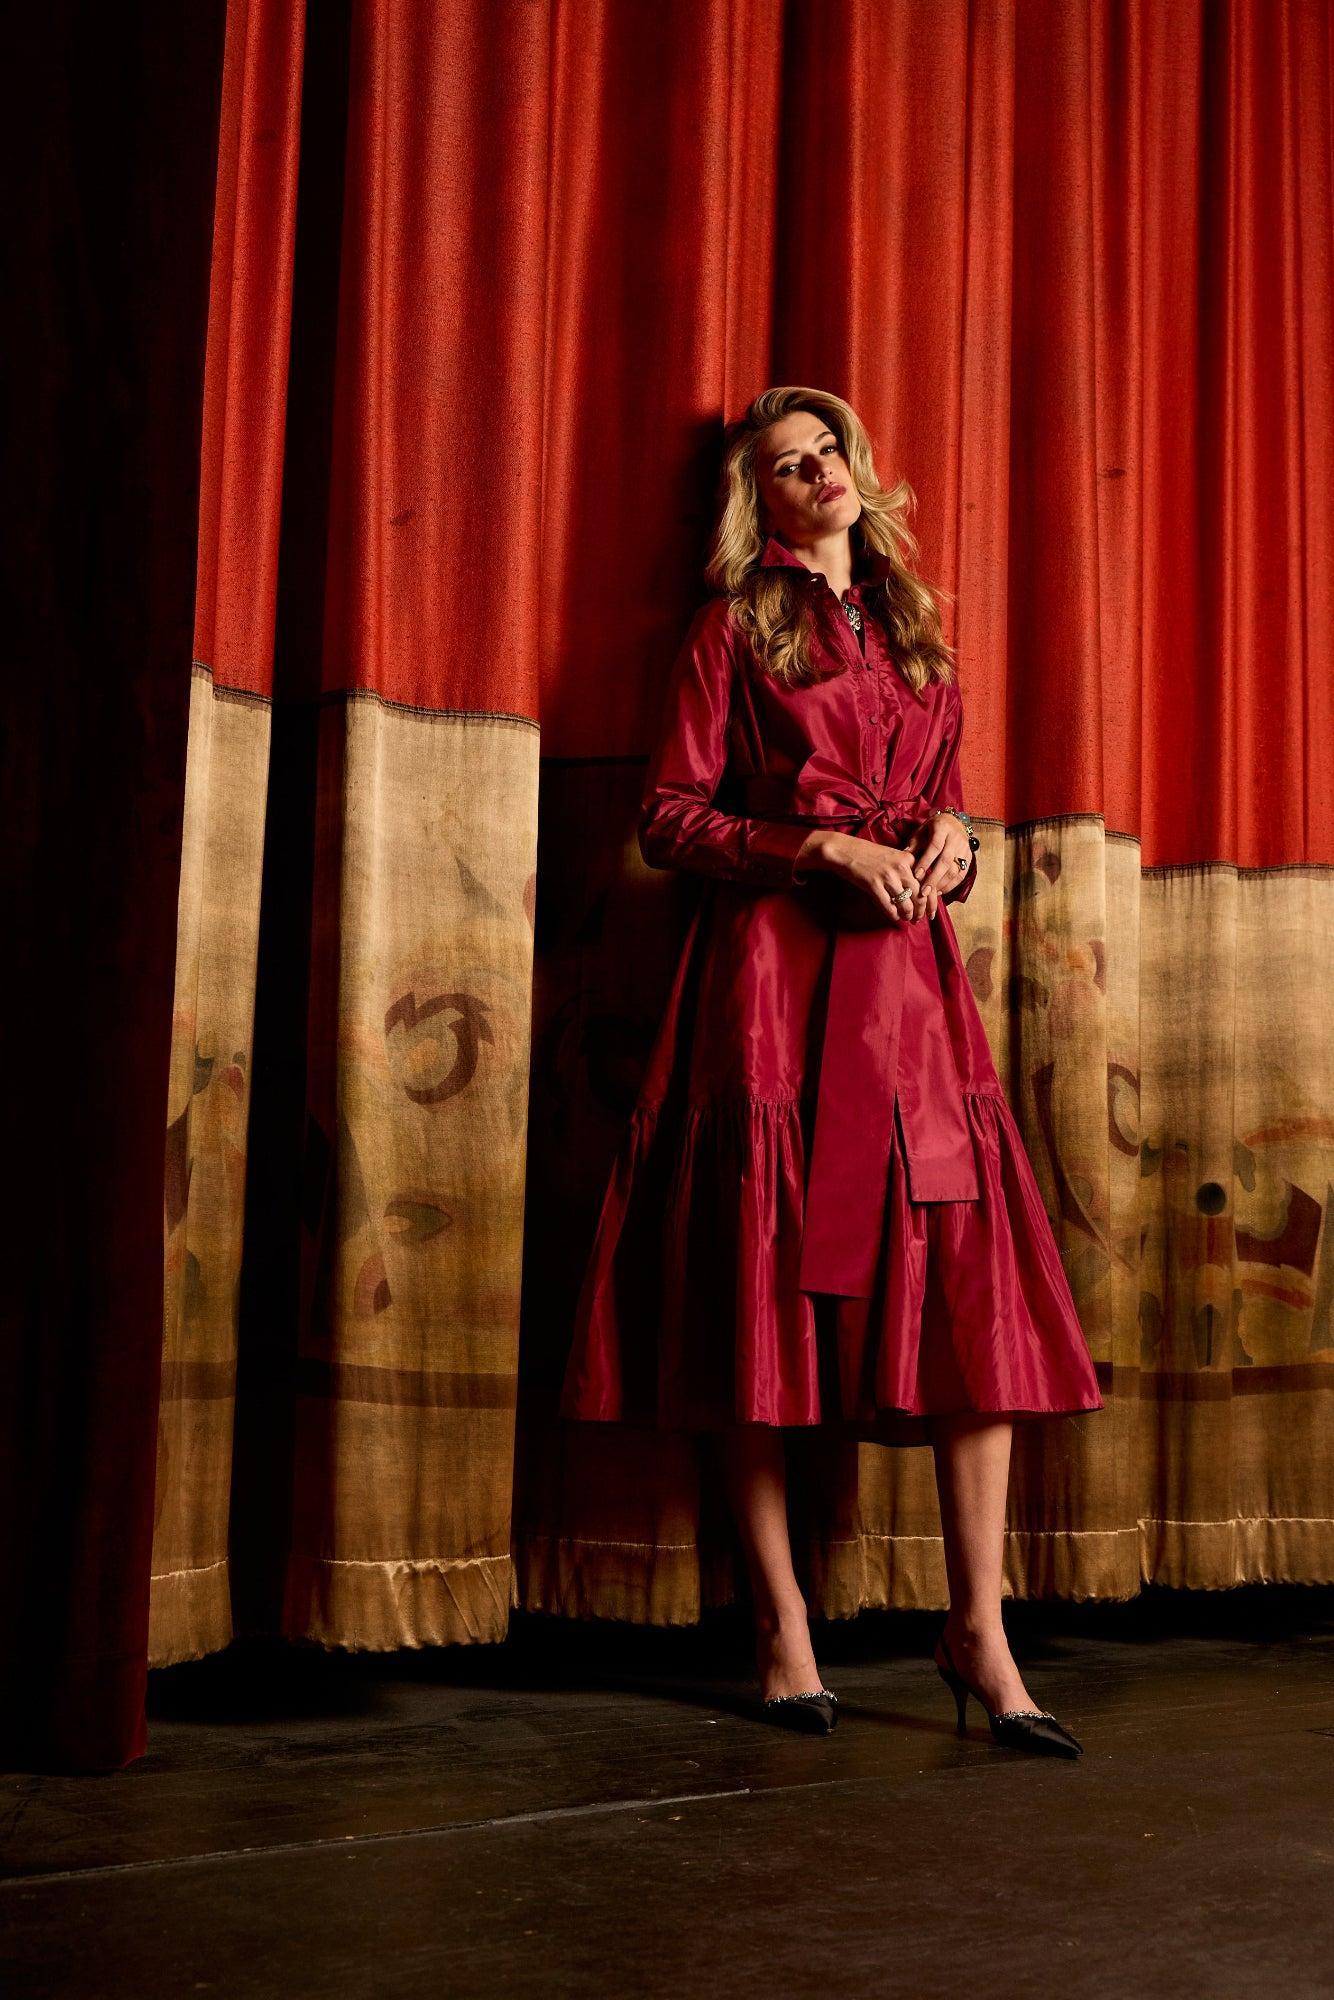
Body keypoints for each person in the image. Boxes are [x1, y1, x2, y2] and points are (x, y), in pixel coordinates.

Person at [560, 386, 1102, 1757]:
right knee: (756, 1299)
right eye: (785, 465)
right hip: (766, 992)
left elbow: (944, 796)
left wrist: (950, 848)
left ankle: (976, 1624)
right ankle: (781, 1627)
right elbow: (666, 819)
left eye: (828, 453)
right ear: (761, 497)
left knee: (974, 1301)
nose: (815, 475)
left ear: (860, 469)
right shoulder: (730, 627)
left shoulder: (915, 629)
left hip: (912, 999)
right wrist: (811, 849)